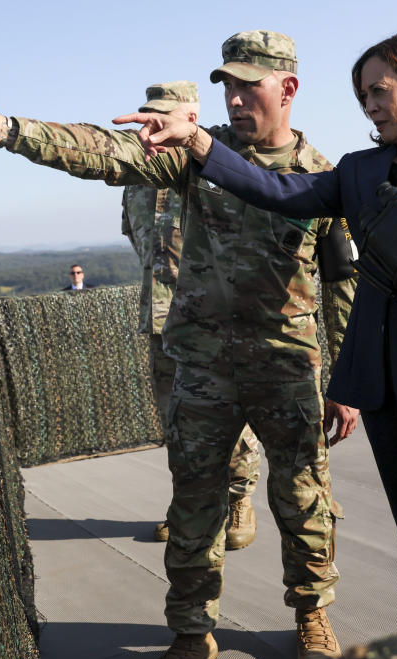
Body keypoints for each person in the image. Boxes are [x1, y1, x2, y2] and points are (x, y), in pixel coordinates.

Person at [0, 29, 359, 659]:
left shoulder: (324, 177)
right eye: (227, 86)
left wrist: (347, 378)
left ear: (287, 87)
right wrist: (9, 129)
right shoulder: (197, 156)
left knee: (304, 499)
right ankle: (190, 634)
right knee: (195, 502)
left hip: (288, 369)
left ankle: (312, 617)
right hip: (204, 367)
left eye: (249, 85)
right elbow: (108, 152)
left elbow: (342, 283)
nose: (234, 99)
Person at [121, 27, 397, 627]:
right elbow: (277, 189)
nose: (371, 105)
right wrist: (200, 142)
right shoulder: (360, 170)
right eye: (362, 96)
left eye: (380, 91)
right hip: (383, 384)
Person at [120, 81, 262, 549]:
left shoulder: (214, 167)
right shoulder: (137, 178)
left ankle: (239, 498)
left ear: (191, 119)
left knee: (230, 421)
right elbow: (136, 238)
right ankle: (191, 505)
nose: (154, 125)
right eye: (149, 115)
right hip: (160, 320)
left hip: (213, 321)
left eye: (165, 115)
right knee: (177, 423)